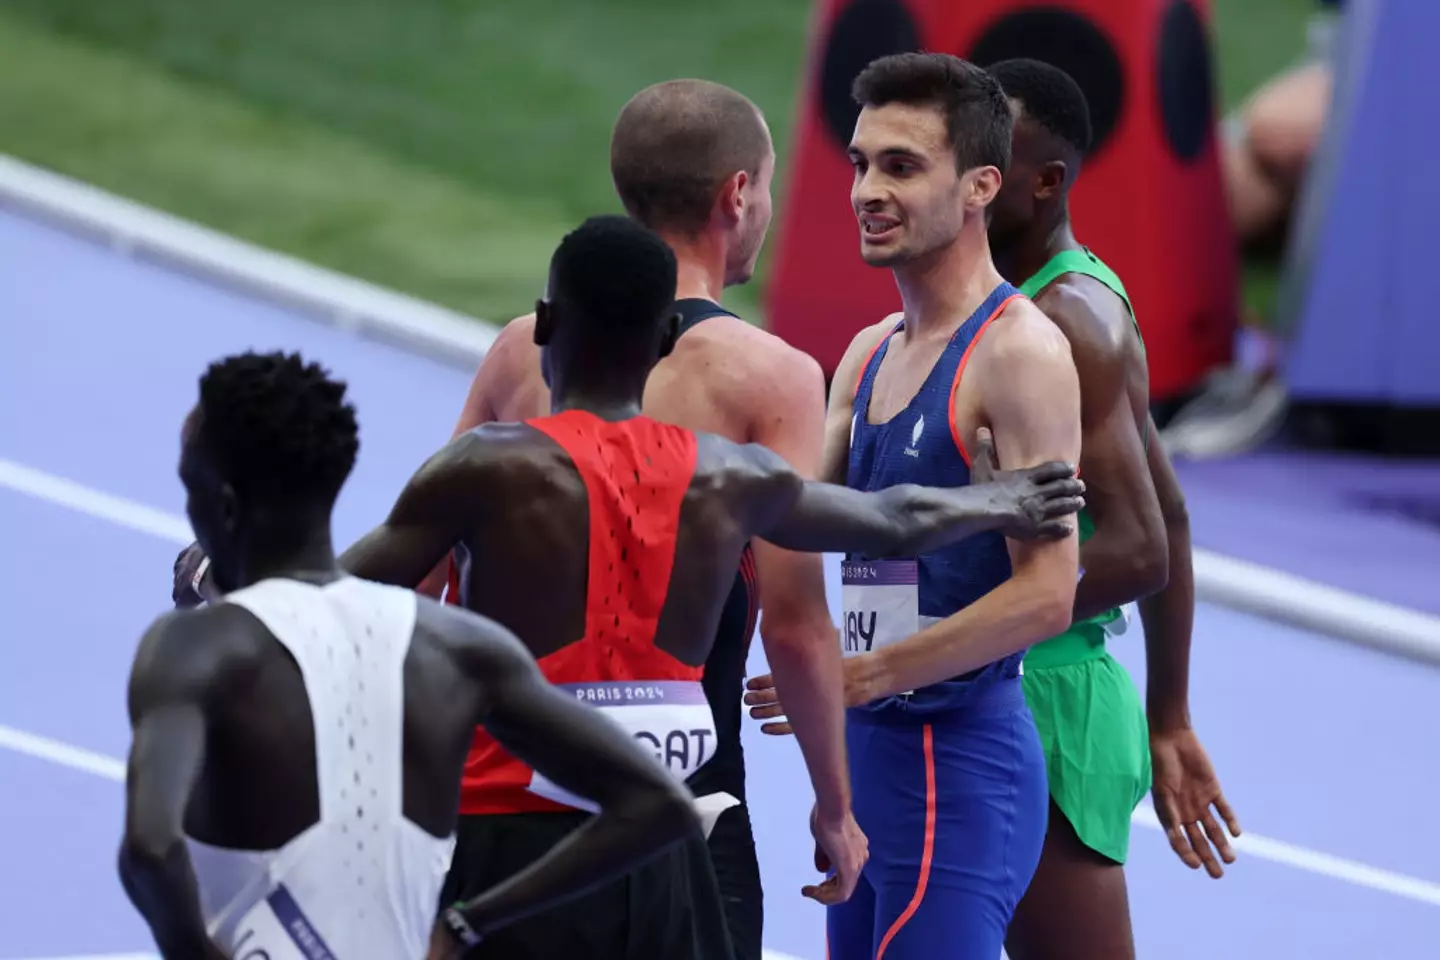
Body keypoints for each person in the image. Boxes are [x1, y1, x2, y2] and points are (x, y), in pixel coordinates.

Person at [337, 214, 1085, 957]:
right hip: (663, 846)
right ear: (666, 338)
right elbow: (893, 518)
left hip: (511, 842)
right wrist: (1002, 501)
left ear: (545, 325)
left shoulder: (486, 467)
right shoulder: (726, 478)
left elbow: (336, 593)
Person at [420, 77, 856, 960]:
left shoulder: (522, 349)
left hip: (507, 800)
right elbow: (795, 622)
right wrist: (835, 806)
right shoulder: (771, 377)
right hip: (683, 800)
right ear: (738, 194)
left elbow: (429, 579)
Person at [123, 351, 704, 960]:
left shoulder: (194, 648)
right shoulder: (462, 649)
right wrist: (465, 925)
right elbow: (661, 803)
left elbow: (150, 849)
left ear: (222, 505)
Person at [745, 52, 1082, 960]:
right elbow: (791, 521)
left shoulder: (1020, 356)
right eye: (861, 164)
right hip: (865, 759)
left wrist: (860, 676)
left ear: (980, 186)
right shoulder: (868, 353)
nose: (867, 191)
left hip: (956, 765)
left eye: (901, 166)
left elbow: (1049, 594)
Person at [982, 58, 1242, 959]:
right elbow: (1171, 511)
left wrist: (956, 617)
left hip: (1039, 695)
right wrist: (1170, 714)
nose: (962, 175)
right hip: (986, 674)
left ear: (1045, 180)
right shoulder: (1010, 302)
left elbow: (1141, 543)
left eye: (988, 159)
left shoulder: (1068, 317)